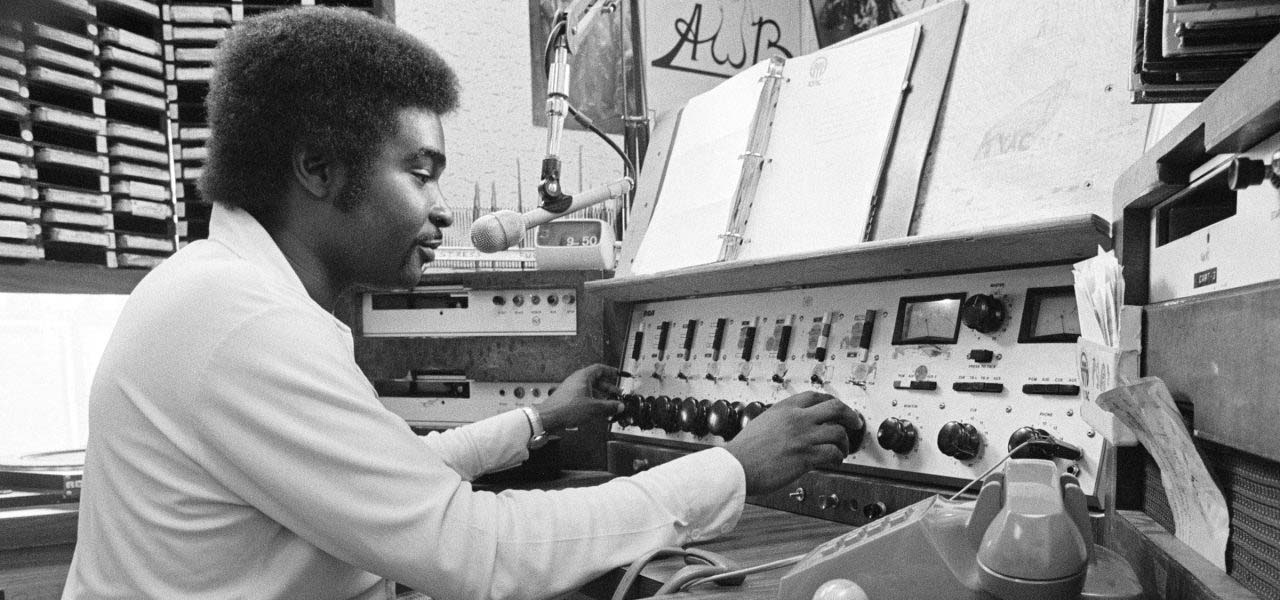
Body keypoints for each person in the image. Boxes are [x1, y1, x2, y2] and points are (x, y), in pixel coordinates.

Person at [62, 8, 862, 600]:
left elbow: (388, 480)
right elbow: (472, 548)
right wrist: (729, 465)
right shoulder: (243, 323)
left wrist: (539, 421)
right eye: (420, 170)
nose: (442, 207)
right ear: (318, 168)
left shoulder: (223, 289)